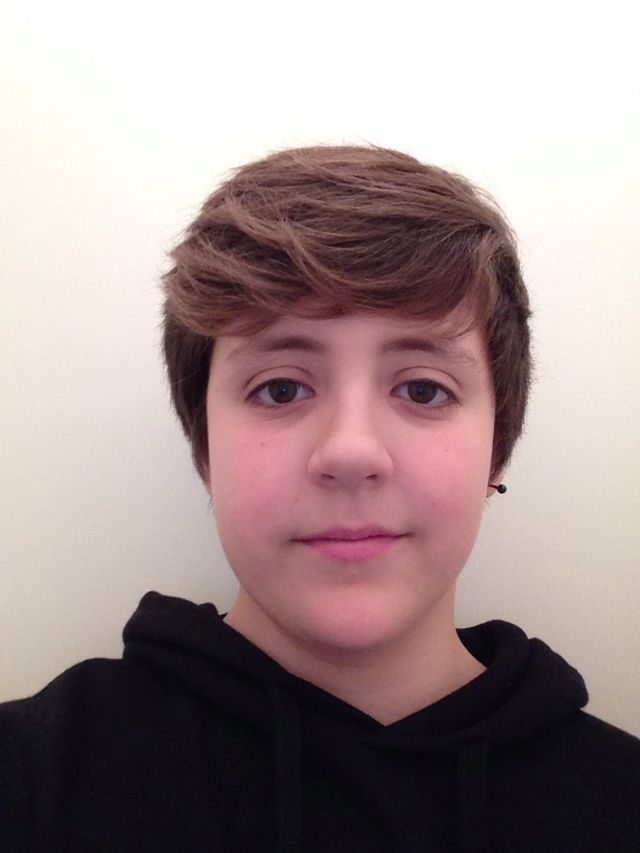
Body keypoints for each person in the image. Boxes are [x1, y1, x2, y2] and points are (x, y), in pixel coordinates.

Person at [1, 145, 638, 852]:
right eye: (281, 388)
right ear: (206, 449)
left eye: (423, 389)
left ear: (497, 448)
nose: (351, 452)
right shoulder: (28, 778)